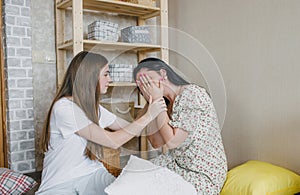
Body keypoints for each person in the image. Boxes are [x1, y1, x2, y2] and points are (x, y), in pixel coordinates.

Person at [36, 51, 167, 195]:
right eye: (106, 74)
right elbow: (113, 141)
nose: (110, 79)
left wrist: (151, 100)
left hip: (92, 174)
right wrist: (149, 115)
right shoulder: (64, 108)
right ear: (89, 77)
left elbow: (132, 128)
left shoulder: (94, 108)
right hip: (61, 183)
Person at [133, 57, 227, 195]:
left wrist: (158, 99)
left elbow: (172, 142)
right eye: (141, 83)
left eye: (147, 79)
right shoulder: (167, 103)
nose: (146, 85)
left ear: (163, 73)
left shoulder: (191, 94)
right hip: (177, 165)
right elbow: (156, 142)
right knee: (133, 177)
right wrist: (153, 103)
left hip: (200, 173)